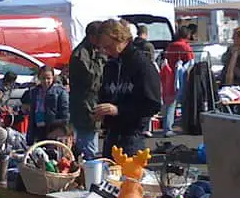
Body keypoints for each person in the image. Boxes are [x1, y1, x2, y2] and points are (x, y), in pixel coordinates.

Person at [94, 18, 162, 154]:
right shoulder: (111, 65)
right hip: (111, 136)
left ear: (119, 38)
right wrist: (101, 112)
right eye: (103, 48)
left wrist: (119, 110)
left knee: (129, 175)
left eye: (108, 46)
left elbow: (152, 104)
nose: (106, 51)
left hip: (132, 138)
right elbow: (106, 94)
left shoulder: (141, 65)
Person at [69, 21, 106, 159]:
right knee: (89, 149)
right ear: (92, 36)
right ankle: (90, 177)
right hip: (85, 107)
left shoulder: (90, 51)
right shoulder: (81, 54)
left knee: (89, 144)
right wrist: (101, 57)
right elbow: (93, 78)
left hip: (90, 104)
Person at [21, 65, 70, 144]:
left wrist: (60, 130)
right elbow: (31, 114)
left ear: (53, 78)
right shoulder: (34, 92)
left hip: (53, 130)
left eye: (48, 78)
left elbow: (66, 115)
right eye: (43, 78)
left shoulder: (60, 92)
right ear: (39, 78)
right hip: (38, 129)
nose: (45, 81)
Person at [161, 26, 194, 136]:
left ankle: (167, 127)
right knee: (184, 102)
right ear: (187, 35)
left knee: (170, 103)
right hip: (182, 77)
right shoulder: (186, 46)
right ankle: (185, 125)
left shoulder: (170, 46)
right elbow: (190, 63)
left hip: (169, 76)